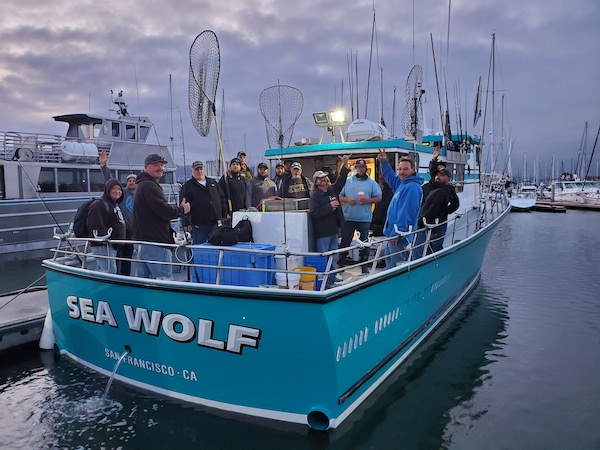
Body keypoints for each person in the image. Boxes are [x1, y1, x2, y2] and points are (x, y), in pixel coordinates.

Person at [132, 153, 190, 280]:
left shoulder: (142, 185)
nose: (160, 168)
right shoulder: (149, 186)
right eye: (156, 165)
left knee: (145, 281)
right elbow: (164, 211)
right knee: (164, 280)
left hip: (144, 242)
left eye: (162, 165)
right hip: (155, 243)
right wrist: (182, 209)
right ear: (146, 167)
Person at [378, 151, 424, 268]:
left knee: (396, 266)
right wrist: (384, 162)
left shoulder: (412, 187)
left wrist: (397, 234)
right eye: (400, 169)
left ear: (413, 170)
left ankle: (395, 285)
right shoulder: (403, 183)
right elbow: (391, 178)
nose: (402, 172)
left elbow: (406, 213)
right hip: (393, 234)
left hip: (399, 237)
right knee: (390, 262)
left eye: (405, 169)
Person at [309, 156, 350, 286]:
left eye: (324, 177)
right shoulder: (315, 196)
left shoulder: (332, 191)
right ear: (316, 181)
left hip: (333, 230)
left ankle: (332, 279)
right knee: (324, 257)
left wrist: (345, 164)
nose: (324, 179)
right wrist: (330, 206)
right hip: (322, 232)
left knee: (333, 257)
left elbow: (341, 181)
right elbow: (314, 212)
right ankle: (324, 281)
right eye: (320, 178)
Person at [338, 159, 382, 269]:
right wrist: (347, 200)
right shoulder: (348, 181)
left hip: (364, 219)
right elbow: (339, 196)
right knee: (345, 242)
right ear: (356, 168)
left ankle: (364, 265)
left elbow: (379, 198)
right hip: (348, 218)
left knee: (364, 243)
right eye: (359, 167)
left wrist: (367, 201)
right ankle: (341, 264)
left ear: (365, 168)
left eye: (362, 167)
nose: (361, 169)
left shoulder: (372, 183)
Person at [98, 150, 136, 275]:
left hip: (134, 231)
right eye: (129, 180)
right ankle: (118, 277)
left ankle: (126, 277)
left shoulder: (141, 194)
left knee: (128, 257)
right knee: (118, 256)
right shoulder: (122, 192)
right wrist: (104, 166)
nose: (131, 182)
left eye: (134, 180)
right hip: (121, 230)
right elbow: (110, 180)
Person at [412, 168, 460, 259]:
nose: (438, 177)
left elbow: (455, 204)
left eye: (441, 175)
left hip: (439, 223)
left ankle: (436, 263)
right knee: (420, 247)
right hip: (423, 222)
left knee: (436, 246)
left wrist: (444, 211)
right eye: (437, 175)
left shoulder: (448, 190)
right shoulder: (426, 187)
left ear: (448, 178)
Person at [86, 178, 126, 274]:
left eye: (119, 189)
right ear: (107, 190)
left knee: (104, 271)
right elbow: (94, 224)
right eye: (114, 189)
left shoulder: (112, 204)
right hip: (103, 247)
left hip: (111, 247)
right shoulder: (100, 204)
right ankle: (106, 289)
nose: (117, 191)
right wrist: (105, 240)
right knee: (109, 272)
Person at [183, 160, 227, 244]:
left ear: (204, 169)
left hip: (215, 221)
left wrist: (224, 213)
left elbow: (222, 198)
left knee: (216, 245)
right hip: (199, 223)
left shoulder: (213, 183)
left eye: (201, 169)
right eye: (196, 169)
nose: (199, 171)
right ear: (192, 171)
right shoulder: (188, 186)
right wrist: (186, 223)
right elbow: (183, 205)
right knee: (200, 245)